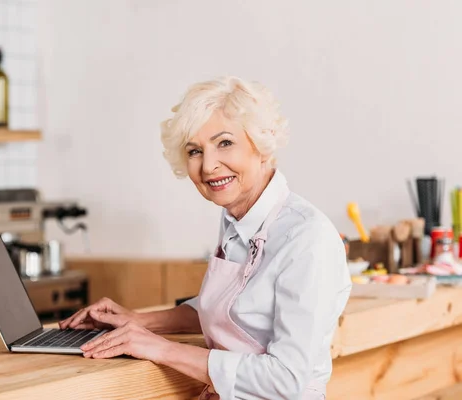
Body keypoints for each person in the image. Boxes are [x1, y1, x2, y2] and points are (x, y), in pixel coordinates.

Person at [59, 76, 352, 399]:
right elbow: (235, 307)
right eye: (195, 150)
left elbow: (284, 379)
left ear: (261, 144)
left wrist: (160, 348)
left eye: (224, 143)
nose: (209, 165)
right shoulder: (237, 218)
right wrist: (137, 321)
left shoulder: (306, 237)